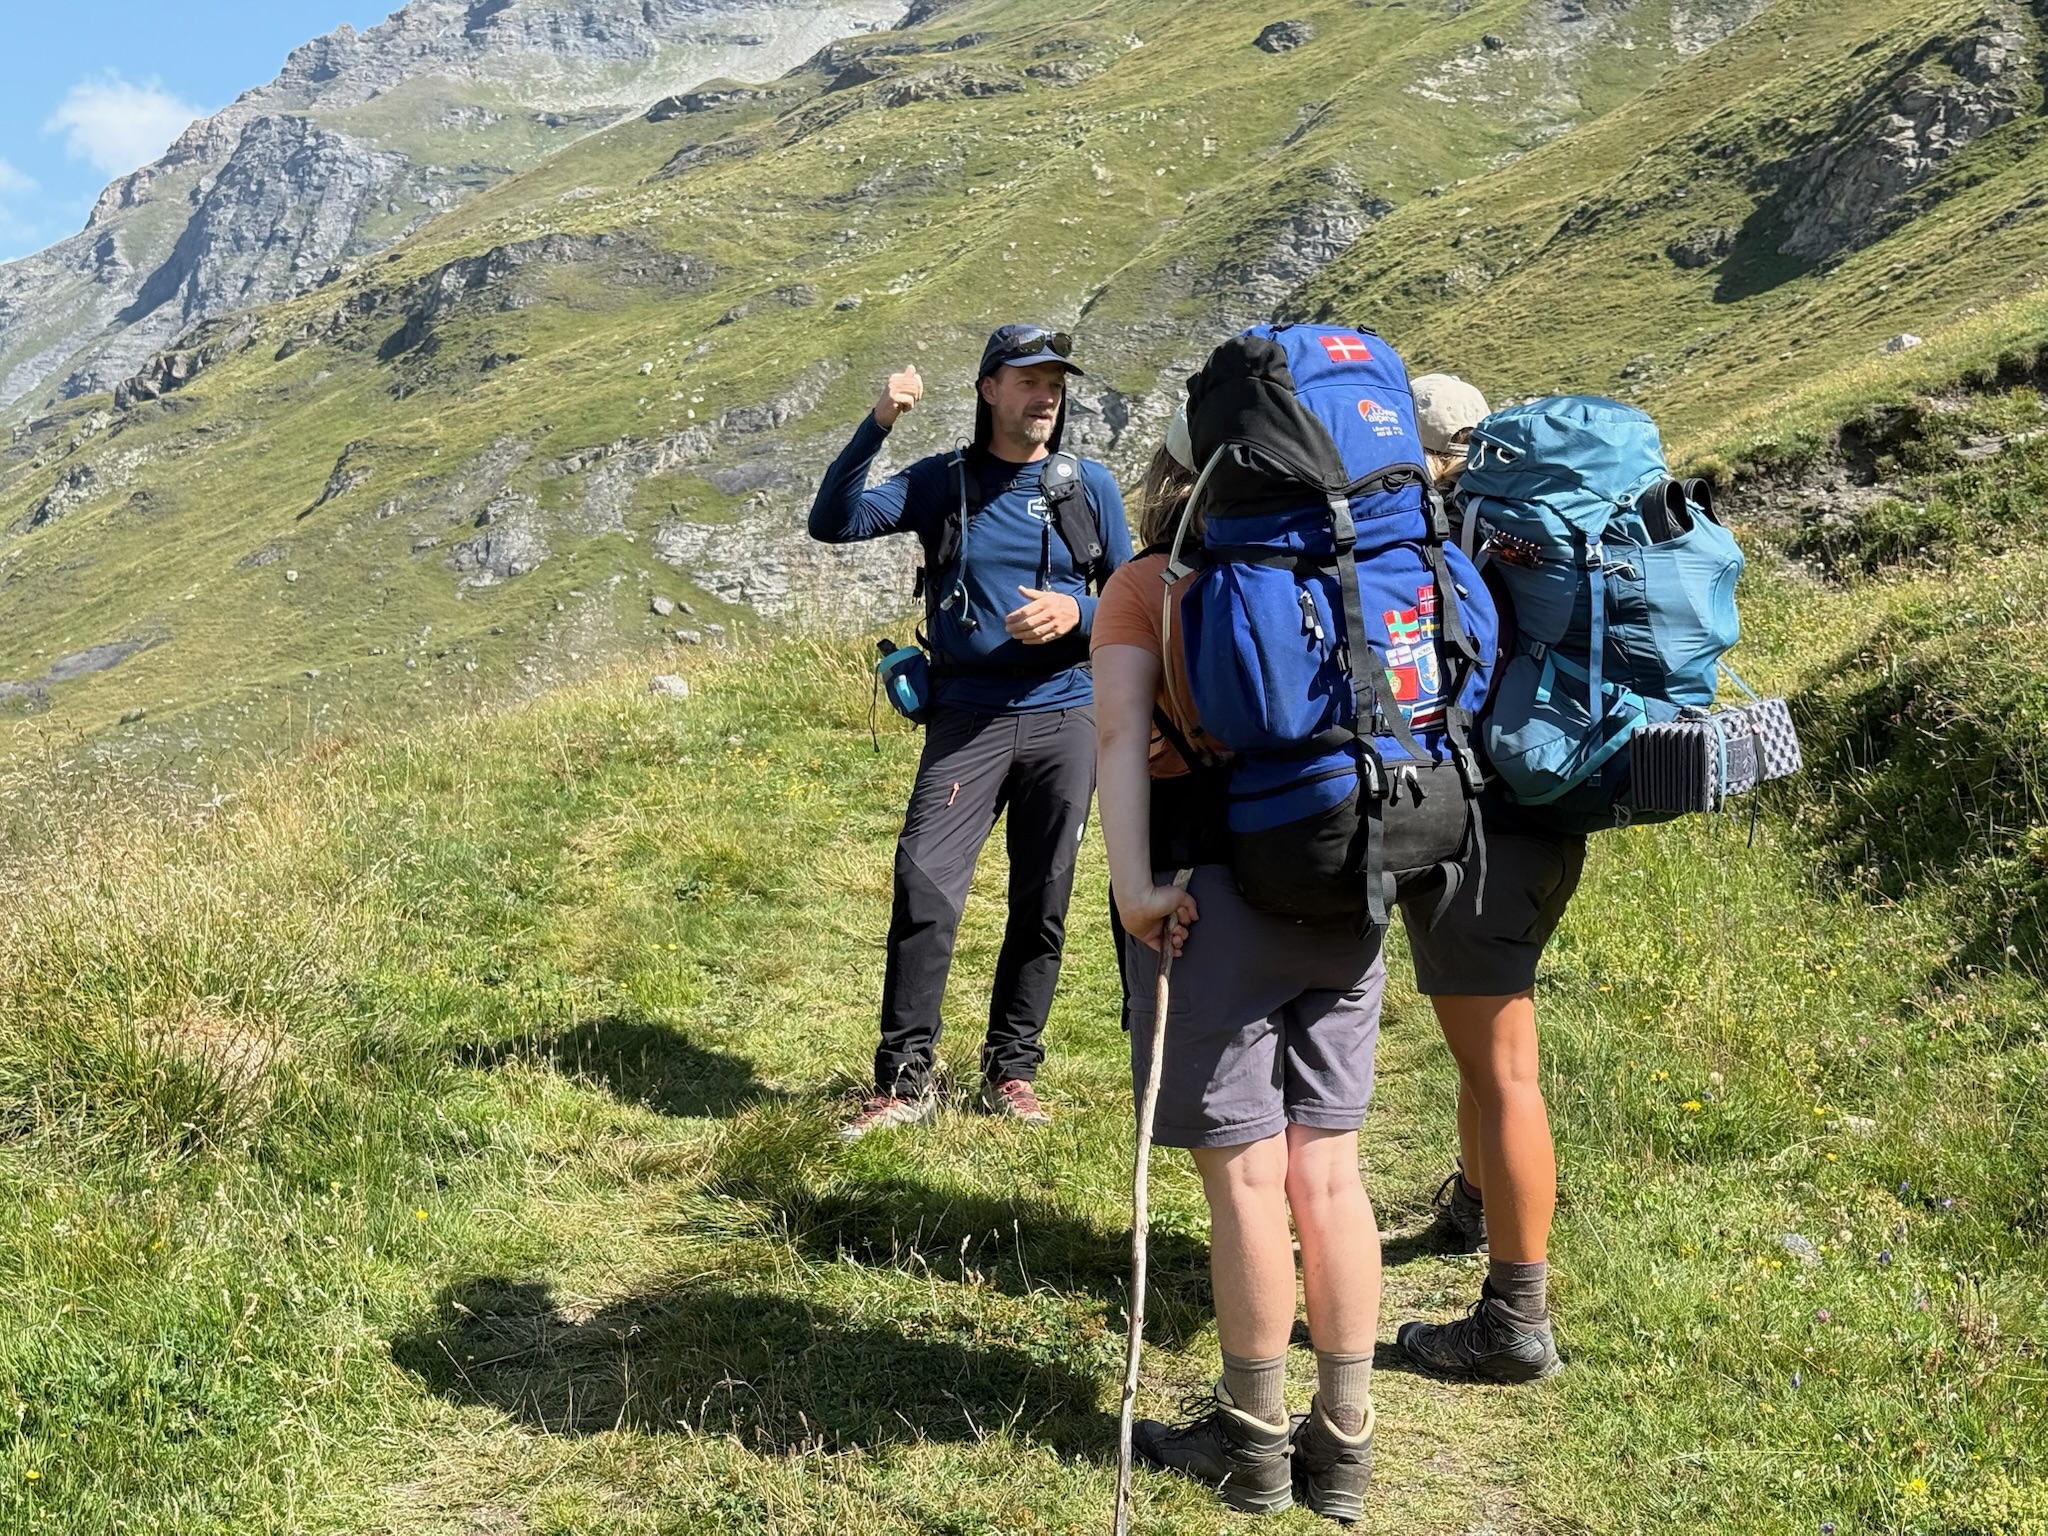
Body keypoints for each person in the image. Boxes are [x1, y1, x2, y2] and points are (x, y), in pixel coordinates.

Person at [1093, 418, 1385, 1521]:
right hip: (1341, 881)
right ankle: (1344, 1441)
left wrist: (1135, 892)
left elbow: (1120, 741)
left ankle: (1252, 1439)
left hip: (1205, 897)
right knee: (1330, 1173)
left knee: (1248, 1180)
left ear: (1172, 473)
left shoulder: (1143, 588)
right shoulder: (1339, 568)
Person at [809, 325, 1132, 1140]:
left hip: (1067, 713)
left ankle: (1012, 1071)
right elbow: (833, 521)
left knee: (1044, 898)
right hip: (969, 716)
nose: (1045, 395)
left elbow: (1140, 598)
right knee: (925, 885)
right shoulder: (940, 482)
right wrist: (879, 419)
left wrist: (1079, 610)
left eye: (1055, 381)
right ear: (990, 389)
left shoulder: (1088, 486)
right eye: (1028, 380)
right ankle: (903, 1082)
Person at [1390, 373, 1578, 1382]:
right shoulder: (1527, 526)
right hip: (1551, 816)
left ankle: (1513, 1320)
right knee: (1484, 1047)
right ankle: (1471, 1206)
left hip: (1482, 827)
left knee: (1503, 1071)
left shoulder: (1442, 527)